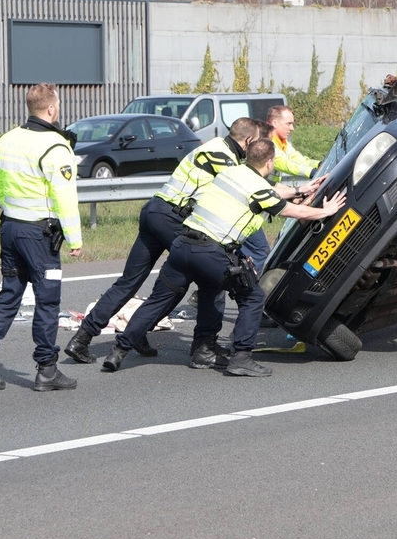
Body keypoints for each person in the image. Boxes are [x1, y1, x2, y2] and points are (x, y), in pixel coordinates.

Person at [63, 116, 305, 364]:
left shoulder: (212, 146)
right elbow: (260, 189)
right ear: (250, 140)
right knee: (197, 279)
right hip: (173, 218)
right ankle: (201, 347)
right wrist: (299, 192)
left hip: (155, 209)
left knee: (129, 282)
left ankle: (82, 338)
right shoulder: (229, 161)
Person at [99, 139, 346, 377]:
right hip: (212, 253)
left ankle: (120, 351)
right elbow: (293, 210)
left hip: (182, 246)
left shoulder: (231, 173)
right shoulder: (258, 187)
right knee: (252, 297)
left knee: (166, 298)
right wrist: (327, 210)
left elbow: (271, 192)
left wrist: (302, 189)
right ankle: (242, 358)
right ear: (270, 163)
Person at [0, 83, 83, 391]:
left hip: (10, 228)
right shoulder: (55, 147)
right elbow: (64, 194)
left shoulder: (8, 139)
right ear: (52, 108)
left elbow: (2, 185)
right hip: (38, 235)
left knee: (9, 295)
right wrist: (74, 237)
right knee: (47, 301)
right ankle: (47, 369)